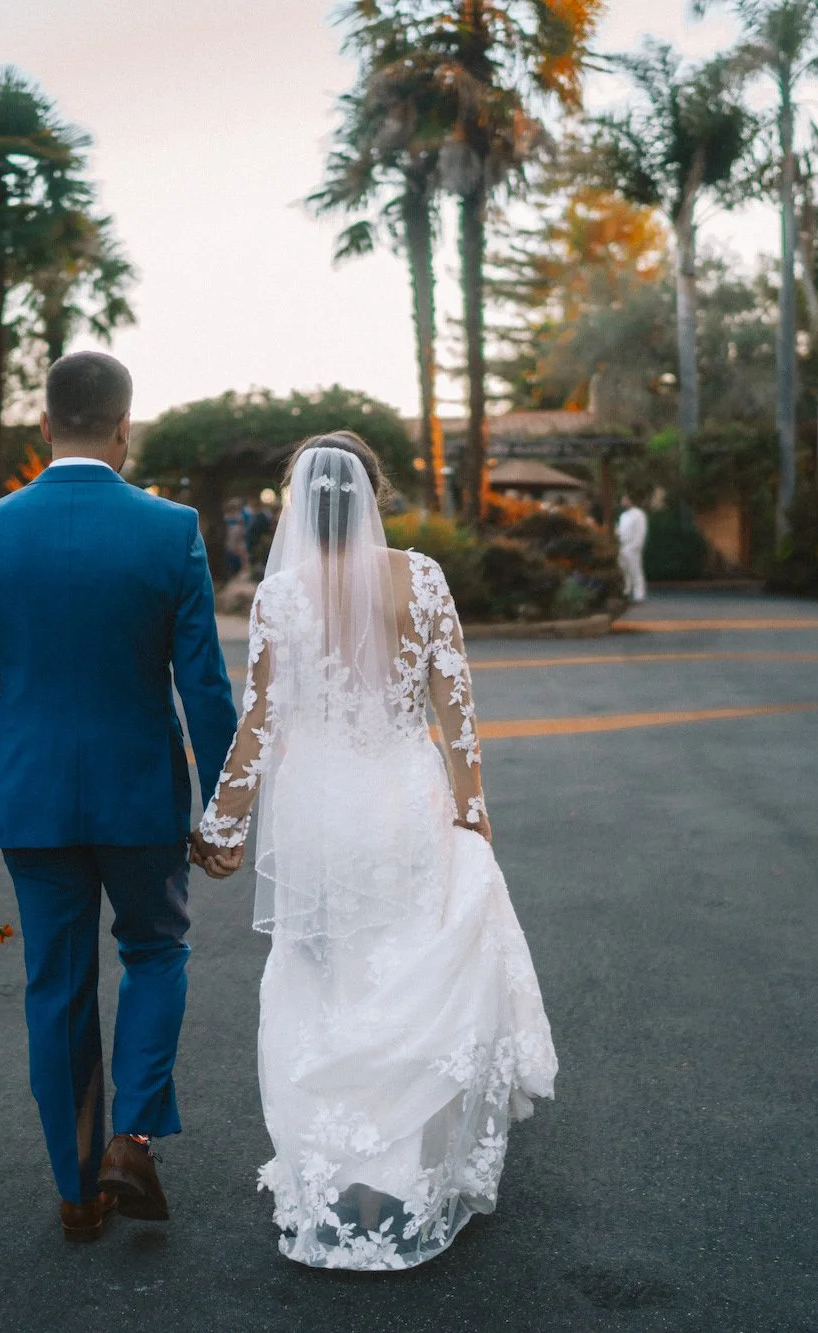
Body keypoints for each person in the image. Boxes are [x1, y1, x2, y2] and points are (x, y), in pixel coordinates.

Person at [192, 433, 557, 1271]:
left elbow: (260, 722)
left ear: (294, 503)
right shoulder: (420, 578)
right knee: (402, 969)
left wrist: (223, 822)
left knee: (328, 977)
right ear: (374, 492)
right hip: (402, 796)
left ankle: (346, 1171)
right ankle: (399, 1167)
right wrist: (471, 805)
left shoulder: (281, 595)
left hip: (320, 809)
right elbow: (453, 696)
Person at [0, 351, 239, 1244]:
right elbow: (205, 689)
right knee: (156, 953)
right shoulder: (169, 529)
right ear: (125, 427)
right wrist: (225, 809)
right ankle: (130, 1140)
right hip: (141, 798)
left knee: (57, 987)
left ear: (45, 422)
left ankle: (76, 1188)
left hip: (35, 802)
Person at [616, 492, 649, 603]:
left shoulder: (638, 514)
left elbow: (641, 531)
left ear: (630, 501)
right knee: (624, 569)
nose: (622, 502)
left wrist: (636, 545)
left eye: (624, 499)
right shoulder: (623, 516)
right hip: (623, 545)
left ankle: (639, 595)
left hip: (632, 545)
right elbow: (621, 530)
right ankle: (627, 590)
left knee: (635, 570)